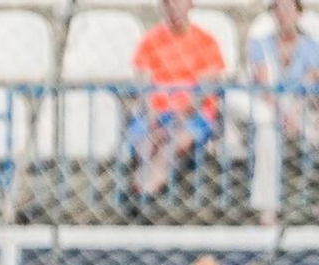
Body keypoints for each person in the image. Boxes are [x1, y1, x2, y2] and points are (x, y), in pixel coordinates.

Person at [128, 0, 226, 199]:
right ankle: (146, 192)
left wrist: (175, 121)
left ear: (190, 5)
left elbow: (203, 92)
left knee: (172, 146)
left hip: (192, 116)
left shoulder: (206, 41)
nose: (173, 7)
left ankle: (142, 193)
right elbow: (143, 85)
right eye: (167, 2)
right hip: (156, 114)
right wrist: (154, 119)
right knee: (144, 145)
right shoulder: (150, 40)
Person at [245, 0, 319, 224]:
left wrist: (294, 113)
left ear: (299, 13)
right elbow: (265, 86)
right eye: (278, 8)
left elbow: (308, 84)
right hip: (268, 107)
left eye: (288, 8)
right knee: (268, 131)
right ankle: (267, 208)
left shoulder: (311, 46)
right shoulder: (260, 44)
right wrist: (283, 114)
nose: (283, 13)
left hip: (299, 108)